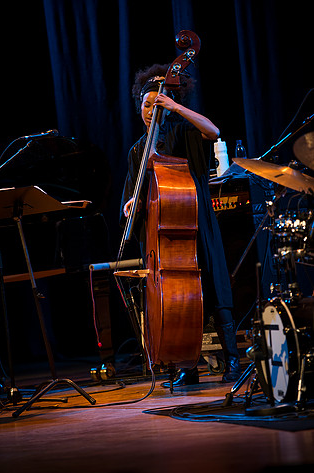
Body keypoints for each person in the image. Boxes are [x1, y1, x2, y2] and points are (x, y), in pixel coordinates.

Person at [120, 63, 241, 385]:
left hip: (195, 223)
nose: (150, 110)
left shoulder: (184, 133)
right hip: (162, 239)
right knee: (178, 302)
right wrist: (132, 204)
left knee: (215, 289)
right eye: (146, 104)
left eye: (155, 103)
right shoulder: (137, 151)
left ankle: (233, 361)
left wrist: (174, 105)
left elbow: (213, 132)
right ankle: (186, 366)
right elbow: (132, 198)